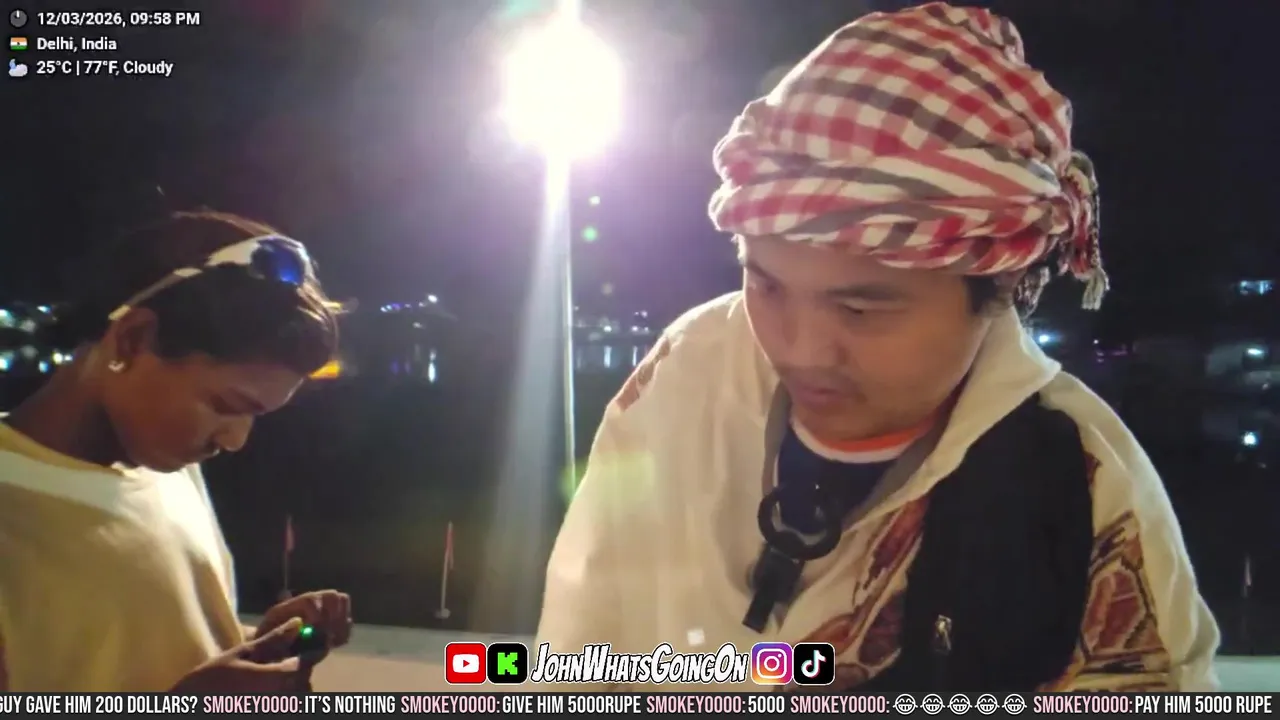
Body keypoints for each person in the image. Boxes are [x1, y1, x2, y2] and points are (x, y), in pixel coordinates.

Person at [536, 3, 1219, 692]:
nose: (802, 350)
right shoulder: (686, 374)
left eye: (861, 309)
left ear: (1000, 285)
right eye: (766, 286)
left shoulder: (1082, 492)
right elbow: (582, 639)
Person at [0, 211, 354, 691]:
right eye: (225, 405)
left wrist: (253, 644)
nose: (235, 441)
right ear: (133, 339)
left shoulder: (165, 466)